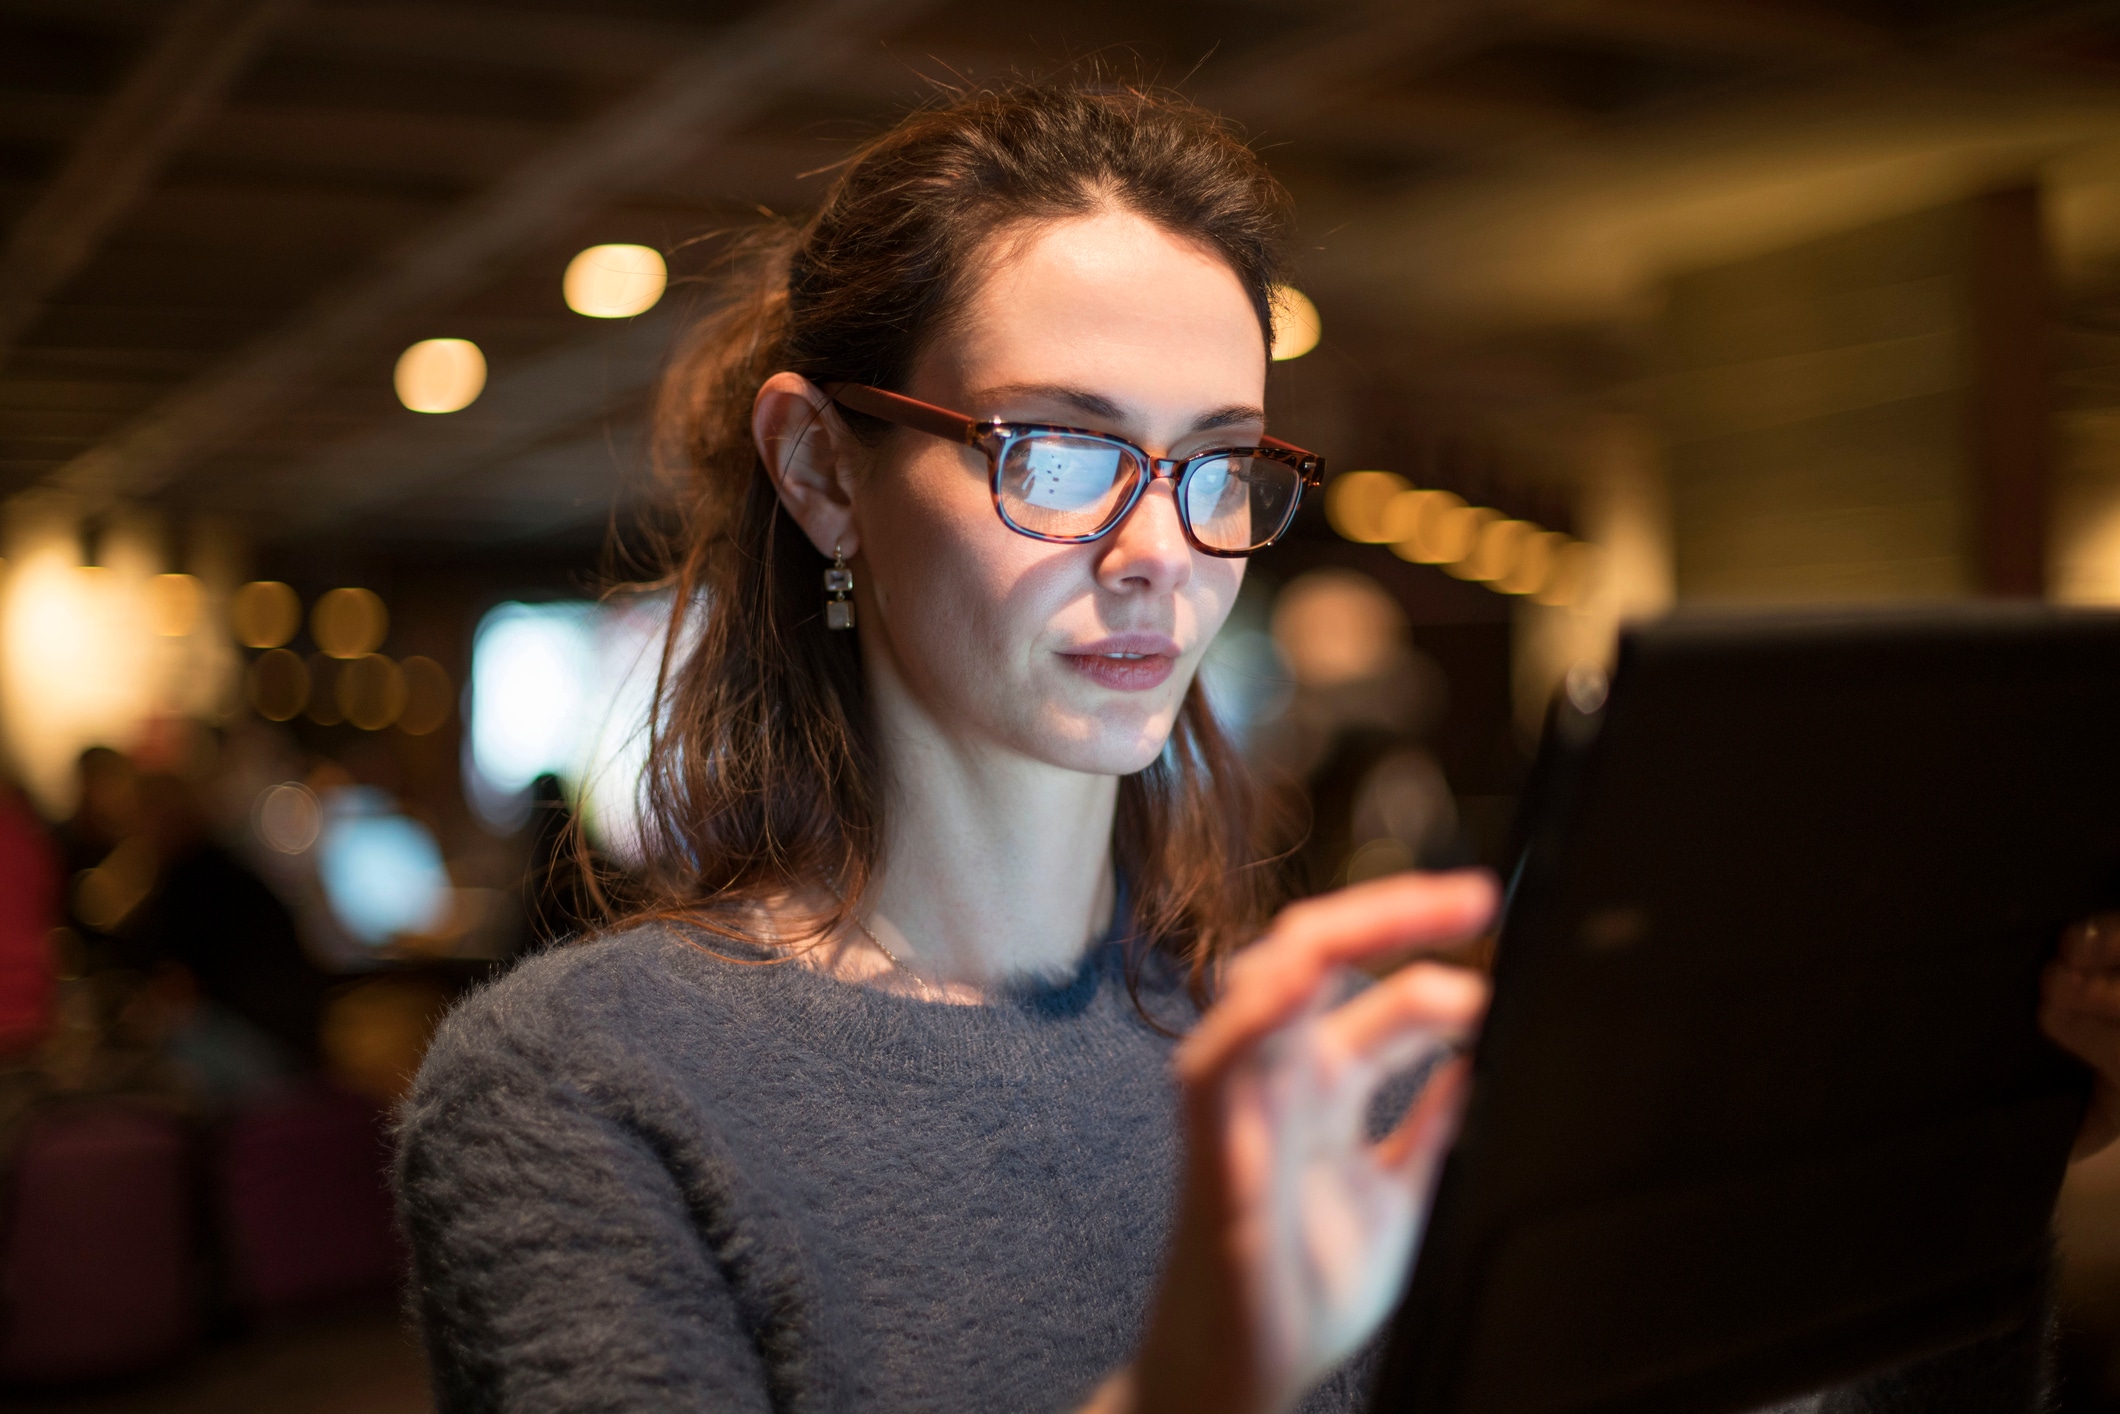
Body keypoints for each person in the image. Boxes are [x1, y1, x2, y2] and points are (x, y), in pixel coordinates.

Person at [395, 82, 2120, 1414]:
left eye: (1220, 467)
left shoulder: (1317, 1067)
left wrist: (1973, 1150)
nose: (1159, 547)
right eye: (1057, 451)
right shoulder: (587, 1089)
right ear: (824, 470)